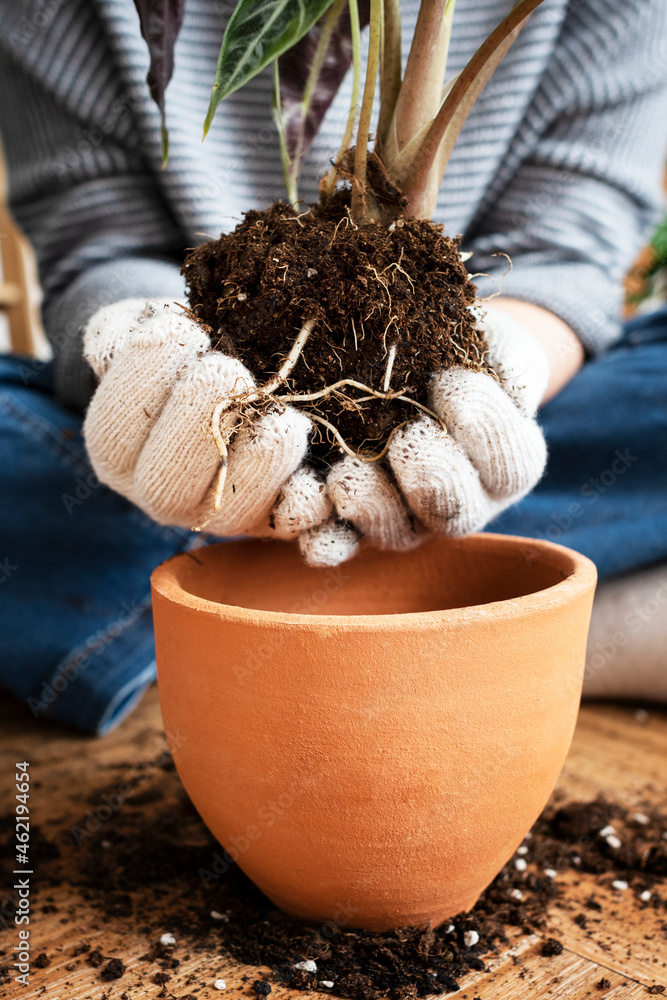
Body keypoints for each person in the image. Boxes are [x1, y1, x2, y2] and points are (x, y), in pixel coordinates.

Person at [1, 0, 666, 732]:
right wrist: (135, 365)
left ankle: (193, 611)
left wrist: (512, 362)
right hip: (202, 409)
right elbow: (96, 236)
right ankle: (501, 603)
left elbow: (564, 248)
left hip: (497, 408)